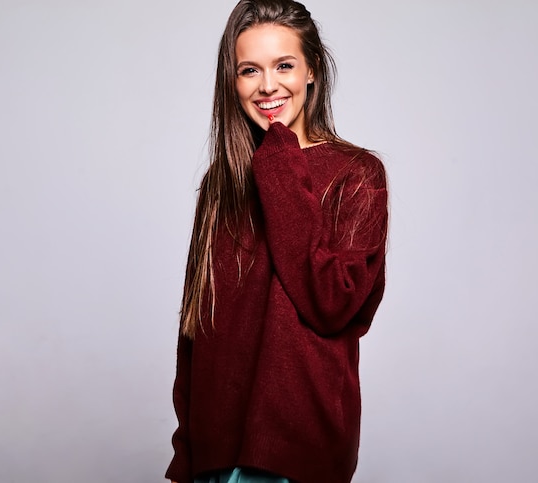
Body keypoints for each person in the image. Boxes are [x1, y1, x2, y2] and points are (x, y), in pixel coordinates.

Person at [166, 1, 388, 482]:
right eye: (250, 70)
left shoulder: (357, 174)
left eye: (284, 65)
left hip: (298, 455)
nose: (268, 85)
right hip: (213, 457)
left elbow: (332, 302)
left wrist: (279, 157)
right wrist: (185, 457)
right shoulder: (221, 184)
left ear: (312, 70)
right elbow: (195, 332)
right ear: (233, 81)